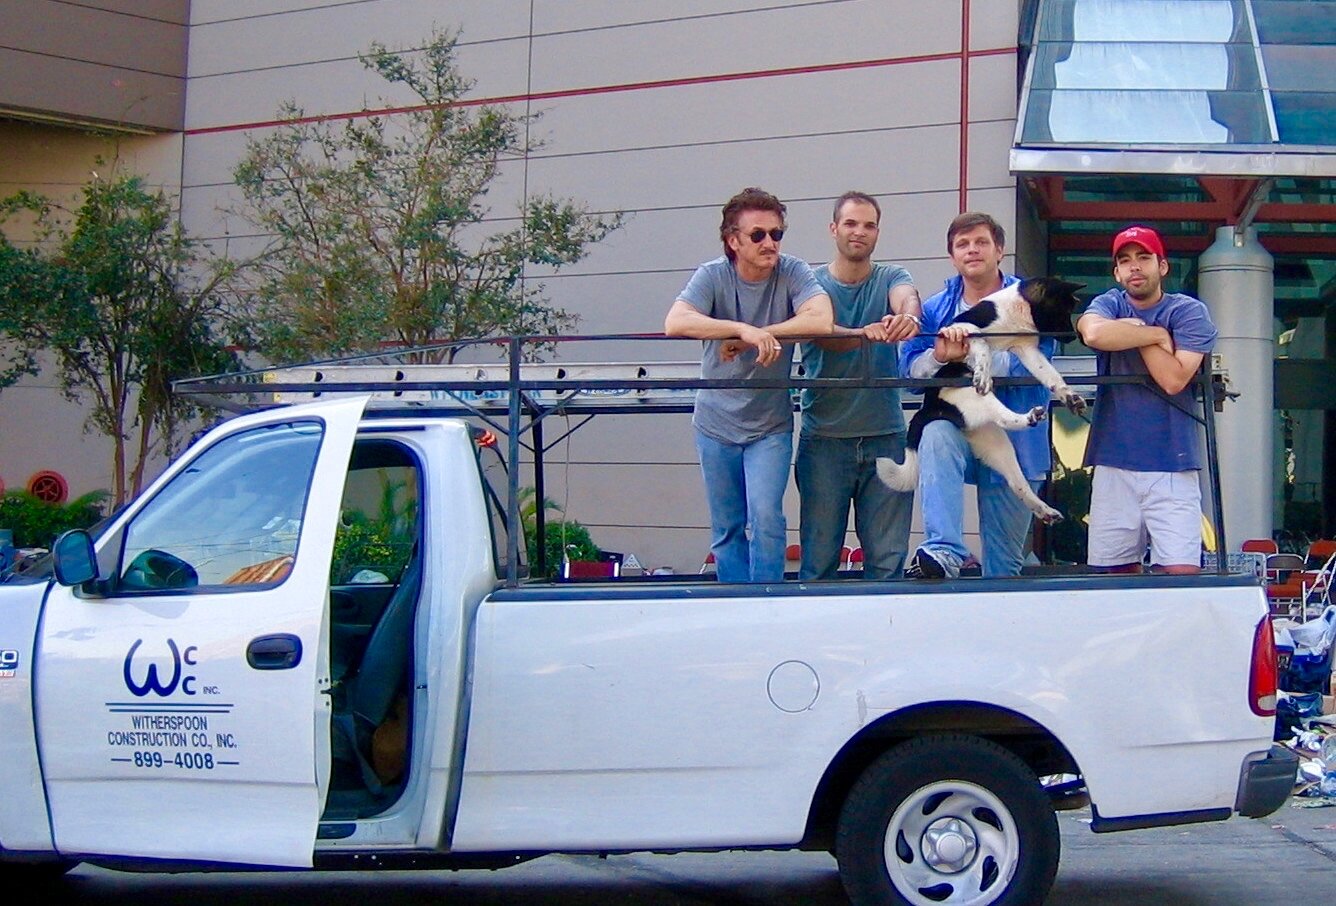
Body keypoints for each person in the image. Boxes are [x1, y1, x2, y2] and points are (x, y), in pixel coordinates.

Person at [665, 187, 833, 582]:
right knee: (727, 527)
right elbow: (675, 321)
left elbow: (821, 319)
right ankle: (733, 605)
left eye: (776, 233)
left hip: (769, 425)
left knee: (766, 515)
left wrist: (759, 334)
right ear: (733, 241)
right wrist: (740, 328)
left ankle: (767, 601)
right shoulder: (712, 275)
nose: (769, 242)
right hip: (714, 423)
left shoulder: (792, 270)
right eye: (758, 235)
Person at [897, 212, 1059, 579]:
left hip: (1017, 443)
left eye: (981, 242)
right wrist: (939, 356)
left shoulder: (1030, 300)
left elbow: (1032, 366)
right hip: (958, 427)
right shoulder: (936, 308)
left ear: (999, 250)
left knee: (1003, 568)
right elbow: (907, 374)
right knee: (935, 433)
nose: (972, 250)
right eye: (962, 244)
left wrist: (970, 353)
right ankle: (943, 551)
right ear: (952, 256)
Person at [1077, 225, 1218, 574]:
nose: (1134, 267)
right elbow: (1092, 331)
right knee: (1113, 577)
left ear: (1163, 266)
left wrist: (1127, 333)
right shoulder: (1109, 301)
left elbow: (1173, 379)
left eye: (1143, 258)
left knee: (1181, 574)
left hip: (1172, 461)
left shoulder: (1188, 311)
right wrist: (1150, 334)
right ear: (1116, 272)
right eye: (1125, 261)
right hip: (1113, 460)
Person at [796, 191, 922, 580]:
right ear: (833, 228)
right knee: (818, 562)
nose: (859, 232)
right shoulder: (809, 284)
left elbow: (908, 299)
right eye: (850, 223)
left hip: (886, 435)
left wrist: (909, 318)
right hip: (824, 441)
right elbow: (819, 330)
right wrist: (864, 334)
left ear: (878, 233)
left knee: (887, 562)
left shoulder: (892, 276)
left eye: (869, 225)